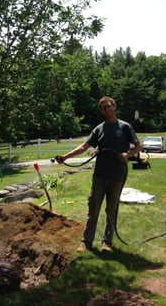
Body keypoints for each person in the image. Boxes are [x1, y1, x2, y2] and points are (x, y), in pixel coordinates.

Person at [56, 96, 141, 252]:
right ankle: (86, 242)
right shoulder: (99, 129)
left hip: (117, 175)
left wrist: (126, 155)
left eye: (109, 106)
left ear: (114, 107)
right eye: (104, 108)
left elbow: (138, 146)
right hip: (99, 175)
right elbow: (84, 146)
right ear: (102, 111)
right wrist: (65, 157)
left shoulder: (125, 127)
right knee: (93, 207)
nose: (107, 109)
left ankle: (107, 242)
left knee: (111, 208)